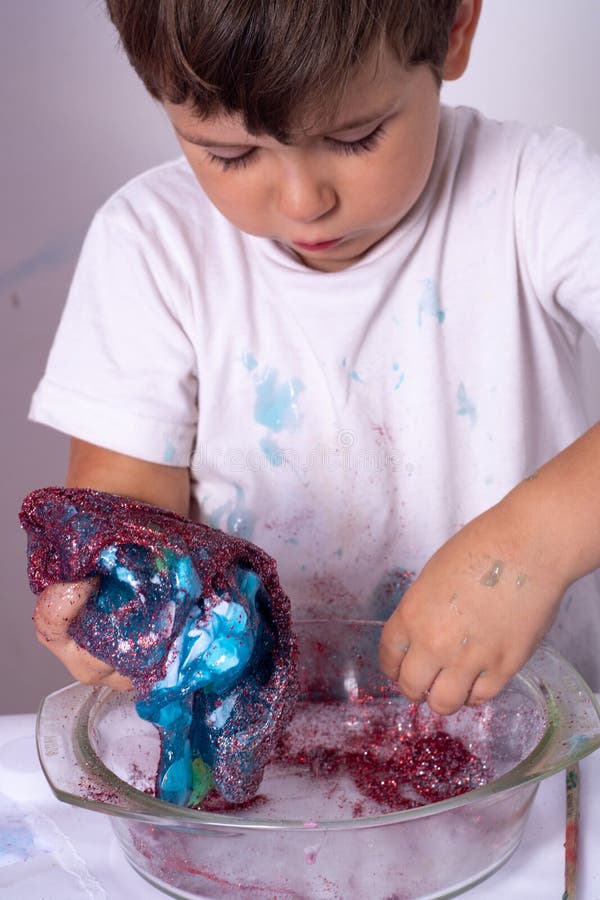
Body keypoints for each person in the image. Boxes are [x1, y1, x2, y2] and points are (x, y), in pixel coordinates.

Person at [29, 0, 600, 716]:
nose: (304, 203)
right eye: (230, 154)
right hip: (270, 765)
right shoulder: (150, 245)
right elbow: (129, 500)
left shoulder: (535, 194)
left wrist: (532, 548)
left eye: (356, 137)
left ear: (456, 28)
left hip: (533, 740)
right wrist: (114, 589)